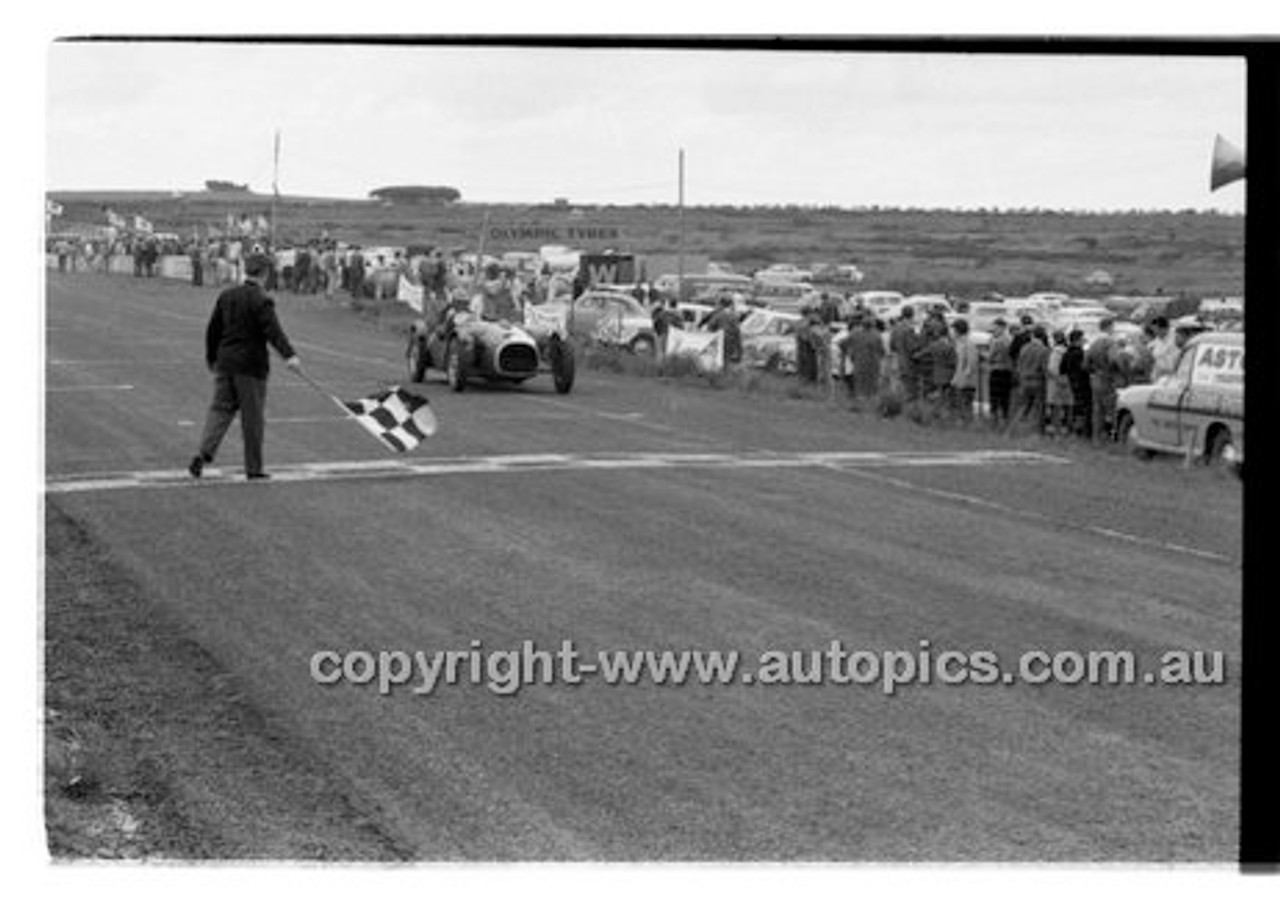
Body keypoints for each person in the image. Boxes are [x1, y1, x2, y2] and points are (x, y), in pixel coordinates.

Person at [189, 253, 301, 481]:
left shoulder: (227, 295)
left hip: (225, 362)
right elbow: (273, 331)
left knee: (220, 410)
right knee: (252, 419)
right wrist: (289, 356)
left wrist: (212, 358)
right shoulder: (262, 300)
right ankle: (254, 468)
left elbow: (213, 330)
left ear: (246, 270)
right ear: (265, 273)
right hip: (251, 367)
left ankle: (203, 453)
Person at [1084, 317, 1121, 443]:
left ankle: (1096, 438)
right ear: (1109, 327)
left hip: (1095, 378)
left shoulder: (1093, 342)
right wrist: (1118, 370)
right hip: (1108, 378)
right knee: (1112, 409)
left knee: (1097, 410)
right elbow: (1113, 360)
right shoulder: (1110, 342)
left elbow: (1085, 363)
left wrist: (1093, 371)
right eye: (1113, 327)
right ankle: (1113, 437)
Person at [1012, 325, 1050, 435]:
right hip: (1037, 381)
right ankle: (1037, 432)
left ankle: (1015, 430)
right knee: (1038, 409)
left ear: (1033, 335)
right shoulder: (1044, 350)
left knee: (1022, 407)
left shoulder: (1024, 348)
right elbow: (1044, 368)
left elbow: (1018, 364)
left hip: (1024, 380)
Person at [950, 317, 980, 424]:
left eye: (954, 330)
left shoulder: (969, 343)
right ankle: (962, 422)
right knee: (960, 403)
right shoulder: (959, 343)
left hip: (967, 381)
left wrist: (965, 376)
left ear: (958, 330)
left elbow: (972, 361)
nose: (952, 332)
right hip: (959, 379)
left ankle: (967, 422)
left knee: (965, 403)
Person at [986, 318, 1014, 428]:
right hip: (1007, 372)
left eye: (995, 328)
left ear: (1002, 328)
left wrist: (982, 354)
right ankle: (1006, 422)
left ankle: (994, 423)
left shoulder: (998, 341)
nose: (993, 330)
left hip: (997, 370)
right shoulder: (1009, 339)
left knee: (994, 399)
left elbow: (990, 357)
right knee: (1005, 399)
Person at [1045, 330, 1074, 437]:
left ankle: (1057, 432)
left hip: (1056, 382)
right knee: (1068, 407)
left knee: (1056, 408)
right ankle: (1068, 431)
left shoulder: (1056, 352)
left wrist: (1056, 379)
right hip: (1068, 381)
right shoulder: (1068, 350)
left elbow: (1051, 369)